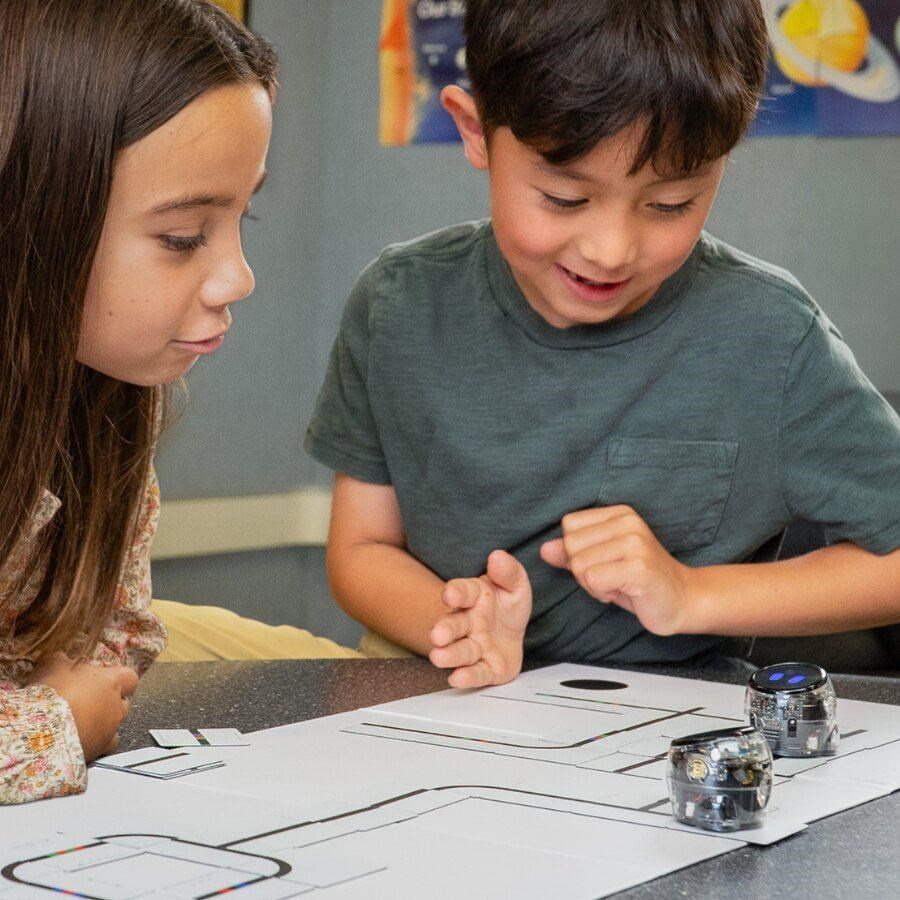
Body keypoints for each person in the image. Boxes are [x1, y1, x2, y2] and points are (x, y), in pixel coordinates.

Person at [306, 0, 900, 689]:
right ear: (475, 131)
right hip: (439, 693)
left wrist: (691, 594)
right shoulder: (397, 303)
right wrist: (460, 627)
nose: (611, 251)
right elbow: (361, 548)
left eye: (670, 205)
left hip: (663, 718)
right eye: (564, 198)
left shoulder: (773, 336)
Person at [1, 0, 282, 805]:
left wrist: (61, 697)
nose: (238, 278)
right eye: (183, 237)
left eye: (243, 214)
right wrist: (49, 724)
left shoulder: (109, 395)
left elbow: (113, 643)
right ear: (30, 215)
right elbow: (68, 700)